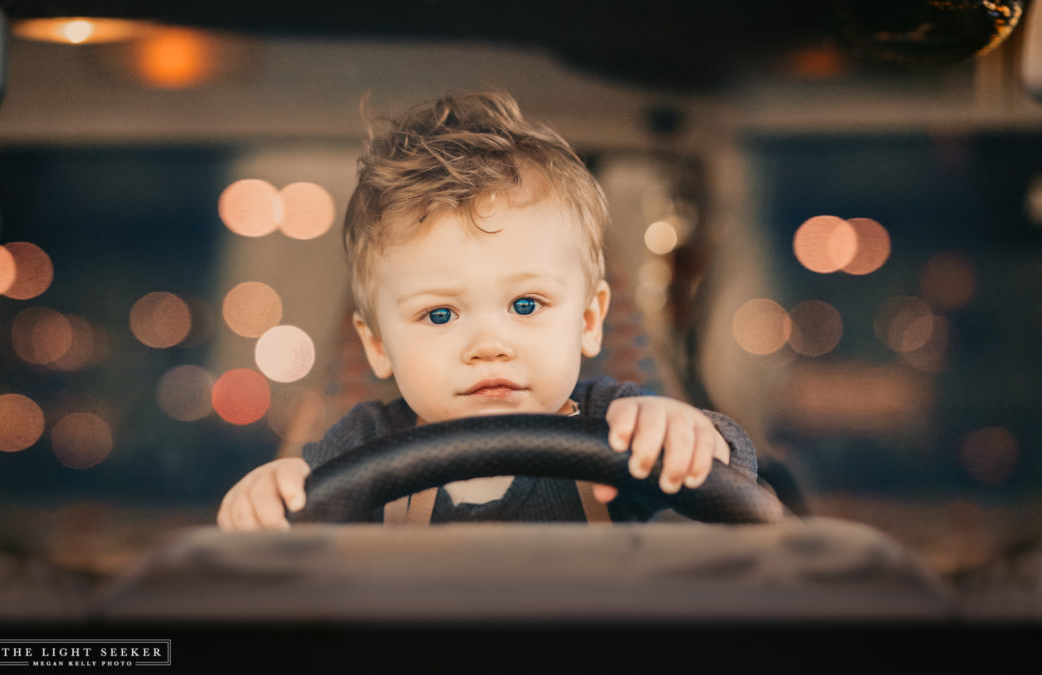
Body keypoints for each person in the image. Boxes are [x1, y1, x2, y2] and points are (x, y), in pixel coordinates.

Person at [217, 91, 758, 530]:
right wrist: (271, 492)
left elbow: (732, 482)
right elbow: (293, 524)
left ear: (589, 322)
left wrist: (687, 435)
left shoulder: (613, 424)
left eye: (526, 304)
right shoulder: (365, 443)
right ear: (378, 346)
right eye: (440, 315)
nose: (488, 345)